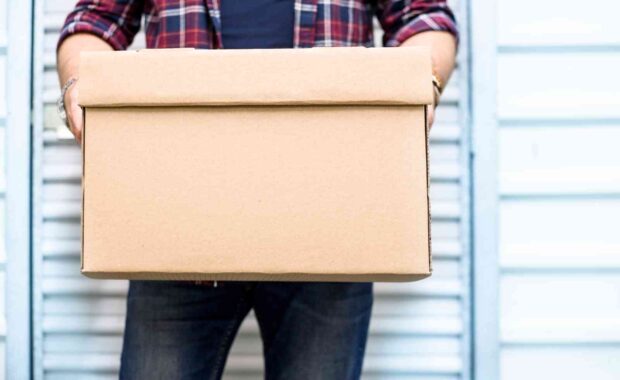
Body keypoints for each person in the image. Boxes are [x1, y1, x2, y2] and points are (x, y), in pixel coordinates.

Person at [57, 1, 458, 379]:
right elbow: (93, 22)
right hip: (177, 235)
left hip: (331, 238)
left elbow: (423, 18)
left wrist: (420, 83)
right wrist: (80, 84)